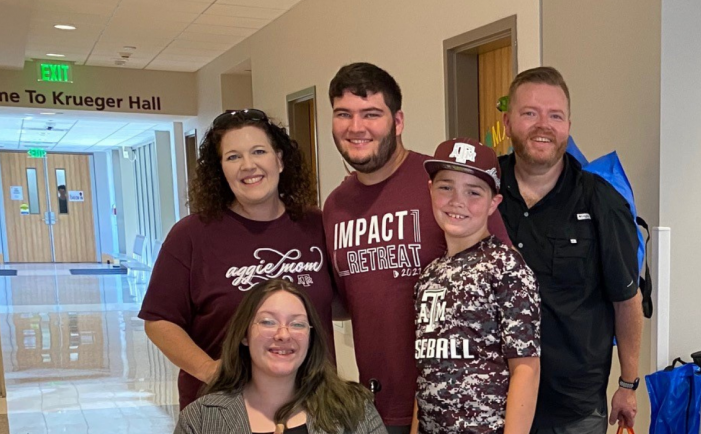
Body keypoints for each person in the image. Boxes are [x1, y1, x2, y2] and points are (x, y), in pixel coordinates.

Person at [320, 63, 511, 434]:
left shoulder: (443, 187)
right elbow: (348, 300)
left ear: (398, 121)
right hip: (372, 408)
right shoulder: (336, 205)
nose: (356, 127)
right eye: (344, 114)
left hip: (454, 413)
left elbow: (505, 290)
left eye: (371, 114)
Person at [141, 109, 335, 410]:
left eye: (259, 151)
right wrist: (209, 370)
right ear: (220, 169)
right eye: (233, 157)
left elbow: (338, 302)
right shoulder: (192, 235)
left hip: (312, 403)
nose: (248, 165)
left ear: (280, 160)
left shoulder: (316, 226)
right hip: (224, 408)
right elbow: (159, 320)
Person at [496, 67, 644, 433]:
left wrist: (627, 384)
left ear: (568, 124)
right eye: (529, 113)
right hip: (492, 399)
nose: (542, 125)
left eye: (555, 116)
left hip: (572, 410)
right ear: (507, 121)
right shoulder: (481, 192)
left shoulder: (602, 201)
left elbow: (627, 299)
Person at [412, 139, 542, 434]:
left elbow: (526, 368)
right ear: (430, 189)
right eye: (446, 187)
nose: (457, 201)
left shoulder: (507, 267)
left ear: (493, 202)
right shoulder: (428, 277)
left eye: (473, 192)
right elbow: (425, 372)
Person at [174, 279, 386, 434]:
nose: (283, 334)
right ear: (244, 335)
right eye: (268, 322)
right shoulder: (200, 420)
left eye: (297, 324)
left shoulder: (356, 408)